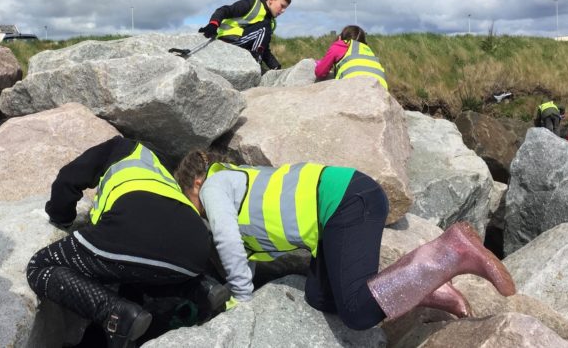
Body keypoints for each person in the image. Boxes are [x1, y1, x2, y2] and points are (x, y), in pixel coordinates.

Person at [175, 153, 516, 330]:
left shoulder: (214, 186)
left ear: (196, 182)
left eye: (190, 202)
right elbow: (245, 252)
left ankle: (451, 252)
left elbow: (228, 242)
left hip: (348, 201)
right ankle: (426, 286)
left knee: (356, 313)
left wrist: (241, 300)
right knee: (319, 296)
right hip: (336, 215)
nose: (197, 212)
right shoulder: (238, 185)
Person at [26, 136, 225, 348]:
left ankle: (114, 314)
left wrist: (61, 218)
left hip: (130, 232)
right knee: (143, 268)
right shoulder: (161, 173)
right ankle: (200, 288)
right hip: (194, 250)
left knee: (39, 266)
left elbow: (68, 179)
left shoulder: (118, 148)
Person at [198, 0, 290, 70]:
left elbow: (264, 47)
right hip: (227, 39)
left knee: (265, 28)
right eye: (282, 6)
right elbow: (224, 10)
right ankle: (255, 61)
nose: (283, 11)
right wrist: (213, 24)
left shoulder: (270, 22)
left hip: (243, 43)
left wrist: (276, 68)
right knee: (264, 27)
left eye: (285, 8)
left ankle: (256, 61)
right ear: (271, 0)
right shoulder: (253, 4)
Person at [314, 25, 388, 90]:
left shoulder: (339, 45)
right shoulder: (368, 50)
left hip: (353, 87)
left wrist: (320, 63)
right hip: (381, 88)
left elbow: (320, 72)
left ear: (340, 37)